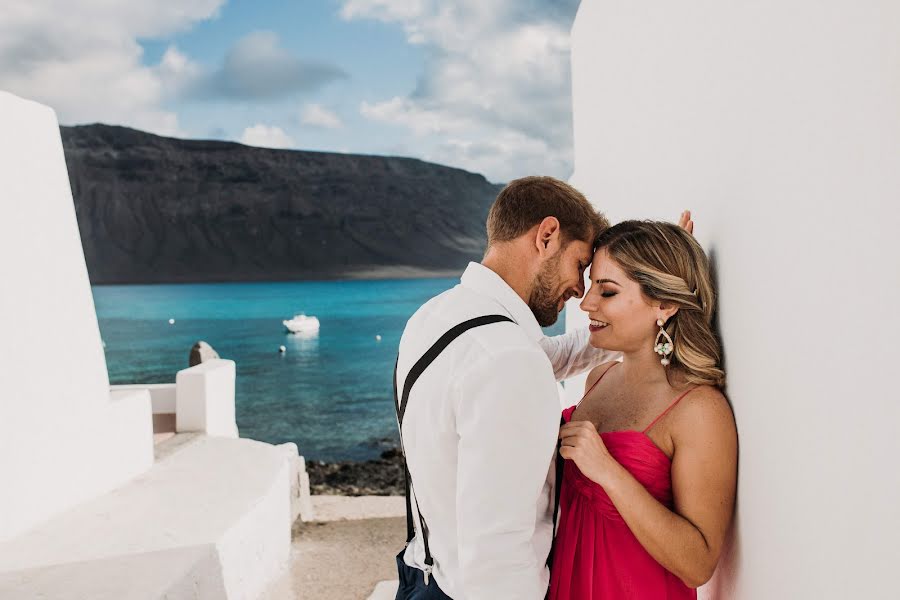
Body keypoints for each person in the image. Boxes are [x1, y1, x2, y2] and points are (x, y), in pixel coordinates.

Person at [393, 176, 617, 599]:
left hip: (424, 575)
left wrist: (637, 305)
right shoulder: (507, 358)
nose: (580, 289)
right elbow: (498, 554)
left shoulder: (434, 317)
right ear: (547, 236)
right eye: (580, 265)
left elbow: (549, 358)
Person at [549, 221, 738, 599]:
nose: (586, 304)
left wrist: (608, 472)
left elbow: (698, 565)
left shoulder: (698, 409)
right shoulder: (598, 379)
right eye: (591, 287)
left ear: (665, 304)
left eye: (607, 291)